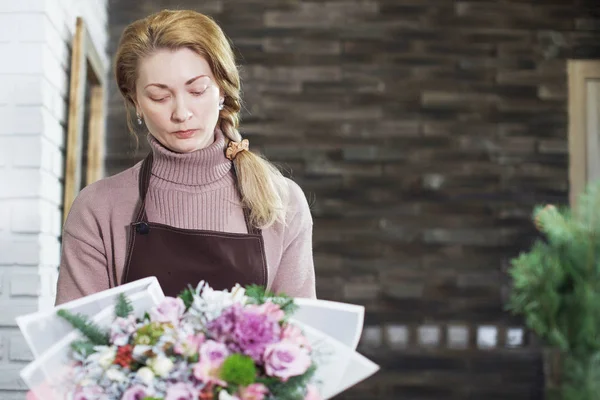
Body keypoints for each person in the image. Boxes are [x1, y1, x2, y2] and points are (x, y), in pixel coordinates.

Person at [54, 9, 316, 304]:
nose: (181, 113)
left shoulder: (282, 202)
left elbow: (301, 341)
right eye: (159, 96)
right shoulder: (98, 209)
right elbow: (76, 343)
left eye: (197, 90)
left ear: (222, 91)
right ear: (135, 101)